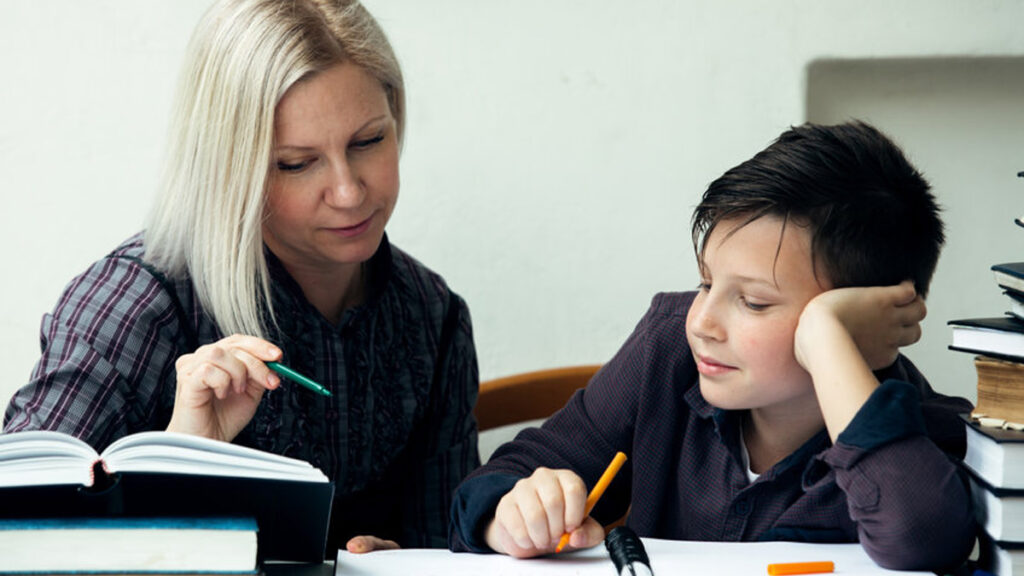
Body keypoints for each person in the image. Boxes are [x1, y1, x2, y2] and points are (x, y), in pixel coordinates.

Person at [3, 0, 479, 555]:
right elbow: (17, 531)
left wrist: (413, 564)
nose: (349, 192)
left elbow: (446, 544)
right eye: (295, 164)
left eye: (368, 141)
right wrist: (178, 458)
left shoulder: (433, 314)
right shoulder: (135, 305)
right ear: (229, 165)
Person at [448, 121, 975, 571]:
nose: (701, 322)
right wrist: (509, 514)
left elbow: (924, 540)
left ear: (865, 321)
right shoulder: (668, 348)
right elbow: (509, 473)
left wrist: (826, 338)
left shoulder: (921, 438)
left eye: (753, 302)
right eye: (705, 283)